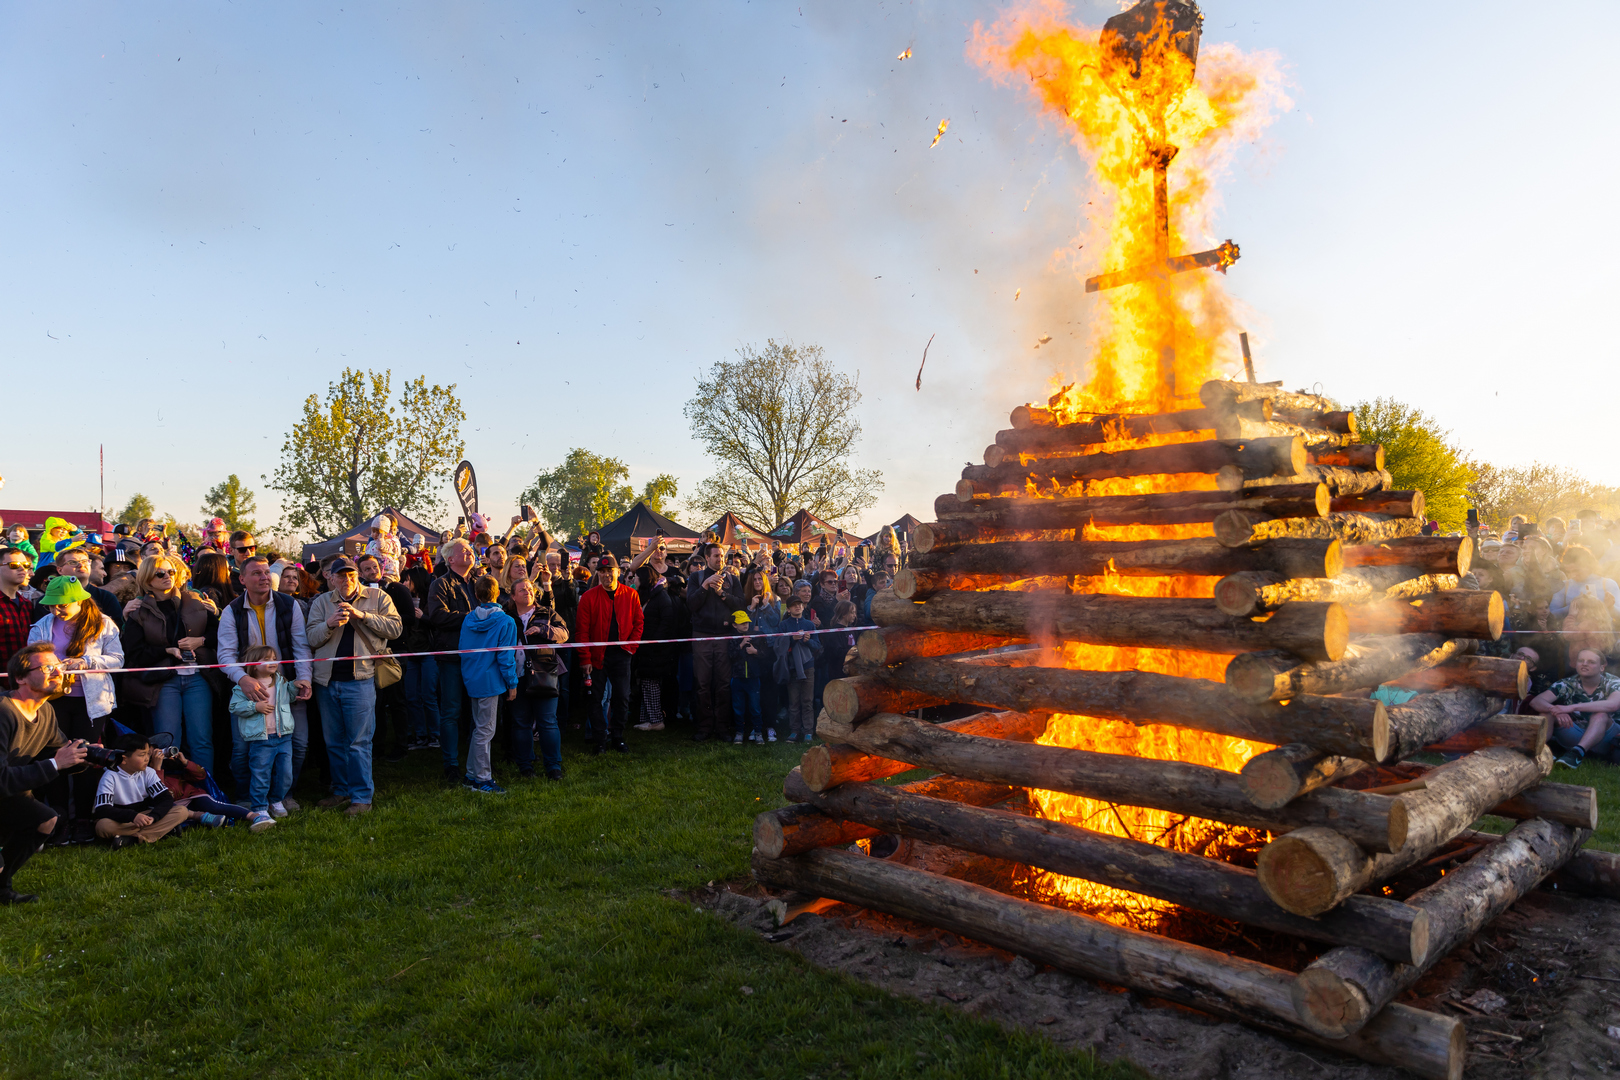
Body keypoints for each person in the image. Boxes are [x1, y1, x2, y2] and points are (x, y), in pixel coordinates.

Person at [26, 576, 124, 844]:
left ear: (80, 600)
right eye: (51, 605)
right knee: (55, 757)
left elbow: (118, 660)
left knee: (86, 758)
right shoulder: (42, 625)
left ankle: (83, 820)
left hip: (91, 702)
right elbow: (30, 658)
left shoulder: (103, 624)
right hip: (52, 700)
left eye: (62, 605)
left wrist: (86, 661)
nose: (56, 610)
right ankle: (59, 820)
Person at [305, 556, 401, 816]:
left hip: (361, 681)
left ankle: (361, 797)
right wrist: (328, 624)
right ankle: (341, 790)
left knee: (359, 742)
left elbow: (396, 628)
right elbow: (310, 639)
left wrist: (363, 615)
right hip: (327, 682)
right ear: (331, 578)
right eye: (341, 576)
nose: (346, 580)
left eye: (351, 575)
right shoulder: (321, 603)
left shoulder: (377, 597)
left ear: (357, 575)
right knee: (334, 741)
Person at [218, 555, 314, 801]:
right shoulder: (232, 611)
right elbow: (225, 655)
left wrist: (304, 678)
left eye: (265, 572)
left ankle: (283, 795)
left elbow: (301, 646)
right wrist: (243, 680)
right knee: (242, 749)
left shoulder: (288, 605)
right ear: (242, 579)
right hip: (248, 690)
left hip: (286, 687)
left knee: (298, 744)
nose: (263, 577)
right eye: (256, 573)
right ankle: (246, 797)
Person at [0, 644, 88, 901]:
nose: (57, 672)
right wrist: (55, 764)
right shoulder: (4, 711)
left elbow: (61, 752)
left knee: (45, 818)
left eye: (58, 666)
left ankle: (2, 888)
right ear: (20, 678)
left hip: (7, 793)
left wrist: (87, 755)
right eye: (47, 667)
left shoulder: (45, 711)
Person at [121, 555, 221, 769]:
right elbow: (134, 653)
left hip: (197, 679)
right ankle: (169, 792)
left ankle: (206, 792)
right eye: (160, 573)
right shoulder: (138, 611)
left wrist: (200, 640)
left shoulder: (194, 601)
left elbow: (220, 633)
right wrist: (166, 650)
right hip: (164, 681)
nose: (168, 576)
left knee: (201, 740)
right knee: (168, 743)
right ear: (148, 580)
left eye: (171, 572)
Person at [576, 554, 644, 753]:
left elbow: (638, 624)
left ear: (618, 572)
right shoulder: (589, 597)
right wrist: (585, 658)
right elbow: (582, 630)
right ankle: (599, 739)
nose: (606, 576)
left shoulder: (630, 595)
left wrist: (630, 648)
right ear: (598, 574)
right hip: (597, 656)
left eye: (610, 572)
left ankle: (618, 737)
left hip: (621, 655)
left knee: (622, 697)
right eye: (602, 572)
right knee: (596, 699)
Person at [457, 575, 519, 793]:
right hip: (490, 682)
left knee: (479, 728)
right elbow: (505, 656)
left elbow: (463, 650)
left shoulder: (468, 619)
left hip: (472, 678)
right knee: (485, 731)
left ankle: (471, 774)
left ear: (476, 595)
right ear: (498, 594)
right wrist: (512, 683)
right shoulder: (506, 621)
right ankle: (482, 778)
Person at [425, 538, 478, 782]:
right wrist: (473, 617)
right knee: (451, 710)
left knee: (476, 710)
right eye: (463, 550)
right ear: (451, 559)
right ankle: (451, 764)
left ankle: (475, 758)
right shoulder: (440, 584)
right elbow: (437, 616)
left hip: (478, 657)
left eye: (471, 549)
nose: (469, 552)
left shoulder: (480, 583)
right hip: (452, 657)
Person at [227, 645, 297, 831]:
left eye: (274, 657)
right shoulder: (243, 687)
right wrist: (254, 708)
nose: (272, 661)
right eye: (266, 659)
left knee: (285, 773)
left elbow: (290, 698)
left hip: (284, 737)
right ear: (254, 665)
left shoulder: (280, 681)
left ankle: (276, 800)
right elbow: (234, 707)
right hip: (261, 740)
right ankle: (259, 807)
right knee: (261, 775)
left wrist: (296, 686)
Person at [505, 577, 568, 780]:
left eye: (530, 589)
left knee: (548, 722)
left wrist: (543, 630)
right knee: (520, 722)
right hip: (516, 677)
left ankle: (553, 767)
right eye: (522, 589)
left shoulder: (546, 612)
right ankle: (525, 766)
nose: (528, 592)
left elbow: (564, 633)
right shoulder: (505, 616)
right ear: (513, 596)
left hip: (544, 674)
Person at [358, 553, 414, 764]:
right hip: (370, 653)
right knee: (376, 703)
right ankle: (377, 746)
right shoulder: (361, 593)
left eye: (374, 567)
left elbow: (409, 618)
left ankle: (401, 745)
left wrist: (384, 621)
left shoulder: (396, 589)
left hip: (394, 652)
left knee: (397, 700)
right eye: (367, 569)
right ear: (361, 573)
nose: (372, 571)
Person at [93, 733, 191, 848]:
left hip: (145, 818)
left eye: (148, 754)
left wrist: (154, 817)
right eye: (142, 755)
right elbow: (103, 809)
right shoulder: (110, 776)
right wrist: (133, 817)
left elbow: (165, 798)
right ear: (124, 759)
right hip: (122, 821)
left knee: (182, 811)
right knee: (103, 826)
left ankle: (132, 839)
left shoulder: (148, 772)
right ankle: (162, 831)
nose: (147, 759)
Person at [1530, 647, 1620, 769]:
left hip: (1605, 738)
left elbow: (1613, 704)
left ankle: (1576, 754)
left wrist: (1571, 708)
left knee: (1600, 715)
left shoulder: (1614, 682)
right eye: (1581, 660)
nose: (1584, 664)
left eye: (1591, 662)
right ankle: (1538, 752)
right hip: (1575, 733)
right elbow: (1536, 701)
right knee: (1547, 713)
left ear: (1602, 667)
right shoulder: (1567, 683)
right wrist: (1555, 710)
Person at [773, 595, 821, 743]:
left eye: (799, 604)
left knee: (807, 700)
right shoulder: (784, 625)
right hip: (791, 667)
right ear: (788, 609)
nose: (797, 607)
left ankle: (808, 731)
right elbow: (779, 647)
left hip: (808, 666)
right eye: (794, 605)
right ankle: (794, 730)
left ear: (803, 606)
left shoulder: (809, 625)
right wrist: (790, 640)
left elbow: (817, 646)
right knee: (793, 701)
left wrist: (808, 641)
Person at [632, 564, 673, 733]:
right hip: (646, 648)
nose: (634, 580)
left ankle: (656, 720)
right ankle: (647, 718)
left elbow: (666, 623)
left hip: (654, 650)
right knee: (646, 683)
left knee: (651, 684)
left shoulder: (661, 597)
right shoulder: (649, 596)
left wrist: (653, 642)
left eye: (637, 577)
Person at [45, 547, 125, 631]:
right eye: (73, 562)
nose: (81, 565)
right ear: (60, 570)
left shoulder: (106, 597)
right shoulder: (48, 599)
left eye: (85, 561)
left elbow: (115, 631)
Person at [1550, 546, 1619, 620]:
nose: (1572, 575)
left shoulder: (1608, 584)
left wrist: (1611, 607)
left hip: (1603, 630)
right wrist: (1573, 606)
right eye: (1568, 572)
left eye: (1576, 570)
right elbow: (1551, 615)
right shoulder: (1564, 586)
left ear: (1588, 566)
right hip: (1573, 630)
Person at [728, 609, 766, 744]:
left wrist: (755, 651)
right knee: (738, 707)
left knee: (755, 707)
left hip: (753, 677)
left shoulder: (756, 636)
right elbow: (730, 655)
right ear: (734, 625)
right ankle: (739, 732)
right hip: (737, 678)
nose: (745, 625)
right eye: (741, 623)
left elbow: (765, 654)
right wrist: (741, 644)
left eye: (747, 623)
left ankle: (758, 732)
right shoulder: (731, 638)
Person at [0, 548, 35, 691]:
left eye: (26, 565)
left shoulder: (27, 604)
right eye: (14, 565)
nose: (22, 569)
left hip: (25, 684)